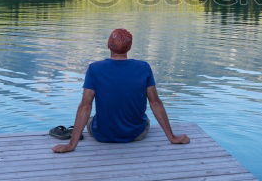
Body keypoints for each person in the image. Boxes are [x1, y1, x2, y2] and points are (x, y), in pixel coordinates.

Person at [52, 28, 189, 153]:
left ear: (108, 45)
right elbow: (155, 103)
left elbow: (85, 106)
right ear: (129, 47)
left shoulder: (95, 69)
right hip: (136, 134)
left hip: (102, 134)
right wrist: (172, 137)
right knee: (144, 119)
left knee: (92, 119)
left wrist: (71, 145)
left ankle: (73, 133)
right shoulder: (143, 67)